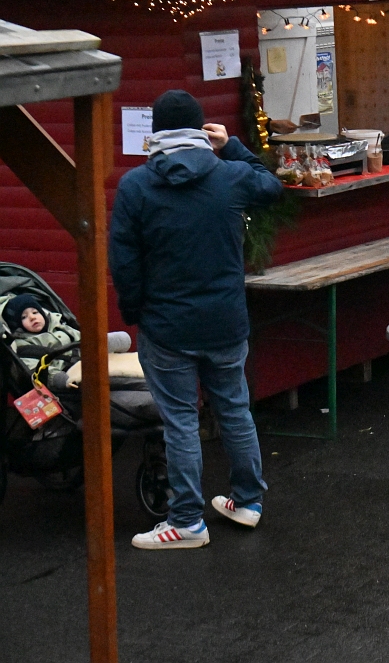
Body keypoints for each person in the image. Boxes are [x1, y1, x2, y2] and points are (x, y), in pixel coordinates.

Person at [108, 90, 284, 549]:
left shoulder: (135, 186)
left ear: (155, 133)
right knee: (235, 410)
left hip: (166, 325)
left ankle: (187, 519)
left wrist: (135, 312)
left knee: (181, 421)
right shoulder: (231, 176)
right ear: (200, 130)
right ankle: (247, 501)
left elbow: (124, 262)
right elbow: (272, 186)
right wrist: (233, 146)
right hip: (226, 321)